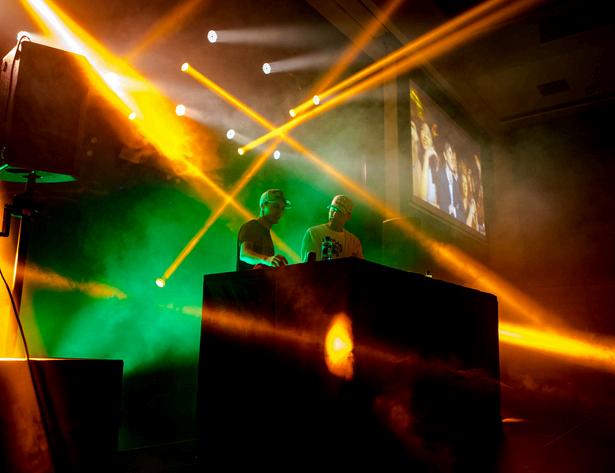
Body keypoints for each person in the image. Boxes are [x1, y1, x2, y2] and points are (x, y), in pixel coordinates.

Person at [236, 189, 290, 271]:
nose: (279, 211)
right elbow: (244, 254)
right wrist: (267, 259)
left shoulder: (266, 233)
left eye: (282, 208)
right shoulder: (251, 226)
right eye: (276, 206)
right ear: (263, 206)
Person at [301, 195, 363, 262]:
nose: (334, 214)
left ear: (348, 216)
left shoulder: (353, 242)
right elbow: (306, 265)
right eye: (333, 209)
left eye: (339, 212)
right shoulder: (313, 233)